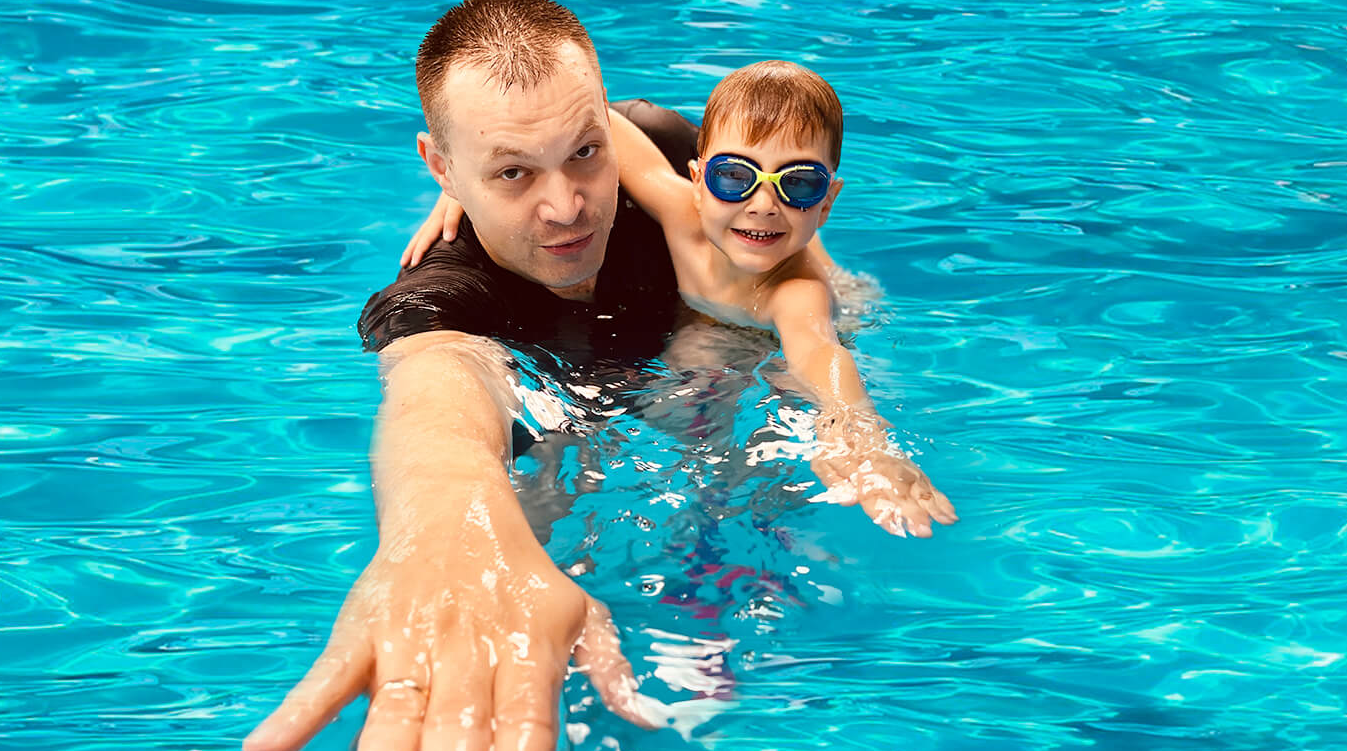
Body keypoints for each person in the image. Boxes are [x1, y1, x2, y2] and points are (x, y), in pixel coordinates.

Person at [242, 0, 700, 751]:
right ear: (439, 169)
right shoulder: (444, 296)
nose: (567, 207)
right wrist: (451, 514)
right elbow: (435, 388)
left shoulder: (667, 153)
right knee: (483, 614)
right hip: (550, 434)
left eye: (583, 155)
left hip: (668, 404)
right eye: (512, 172)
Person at [404, 61, 958, 537]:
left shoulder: (796, 291)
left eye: (800, 185)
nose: (764, 204)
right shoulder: (681, 215)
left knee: (749, 433)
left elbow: (819, 353)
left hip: (786, 328)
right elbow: (601, 118)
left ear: (828, 200)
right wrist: (464, 185)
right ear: (696, 179)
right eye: (735, 176)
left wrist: (863, 434)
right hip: (712, 319)